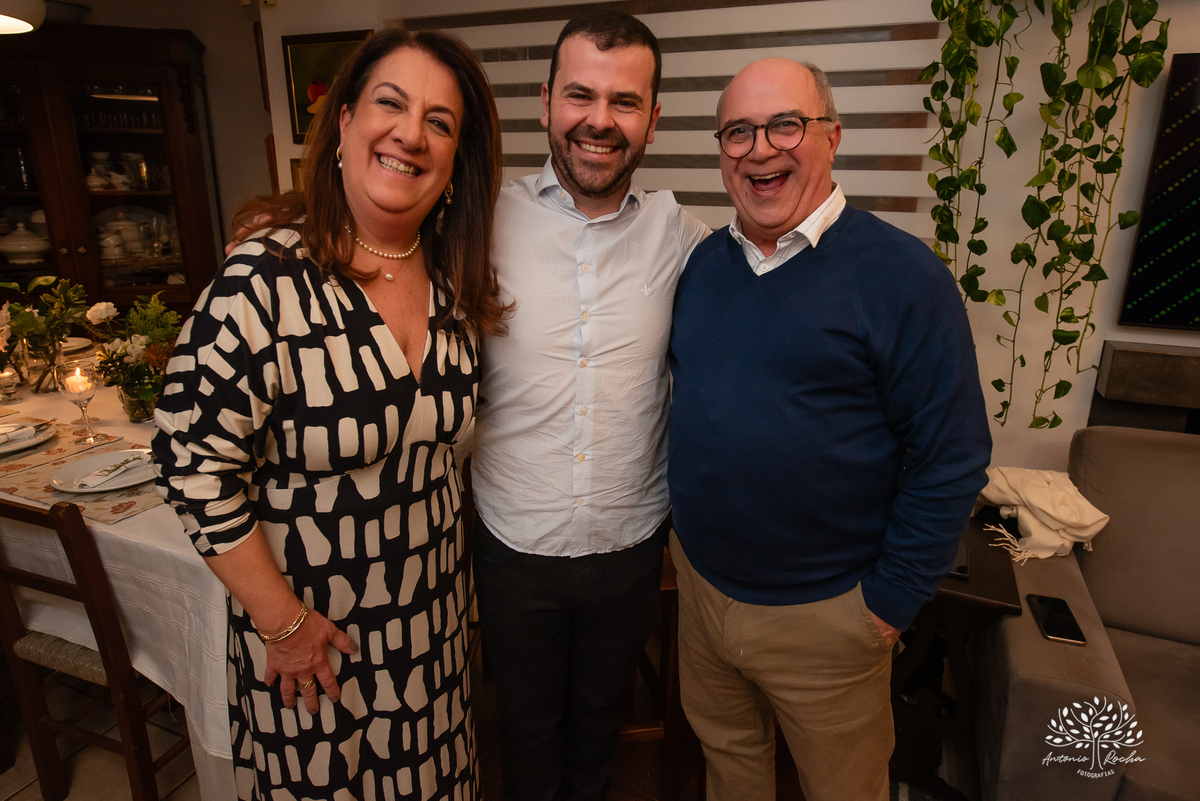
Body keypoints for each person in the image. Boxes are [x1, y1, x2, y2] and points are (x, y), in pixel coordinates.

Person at [153, 28, 504, 801]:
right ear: (342, 123)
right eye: (391, 104)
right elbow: (190, 463)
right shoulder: (264, 280)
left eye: (440, 122)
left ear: (455, 162)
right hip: (314, 652)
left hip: (433, 641)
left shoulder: (453, 282)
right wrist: (282, 624)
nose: (412, 133)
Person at [667, 58, 992, 801]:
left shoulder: (904, 278)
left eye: (786, 124)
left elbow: (953, 454)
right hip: (702, 593)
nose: (760, 148)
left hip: (829, 616)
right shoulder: (701, 268)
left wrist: (888, 605)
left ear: (832, 136)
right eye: (738, 132)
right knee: (731, 772)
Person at [468, 10, 709, 801]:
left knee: (600, 719)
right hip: (512, 538)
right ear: (545, 103)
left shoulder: (685, 236)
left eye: (624, 101)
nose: (599, 120)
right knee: (525, 727)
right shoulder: (478, 222)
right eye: (580, 95)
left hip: (629, 541)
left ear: (652, 118)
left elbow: (781, 266)